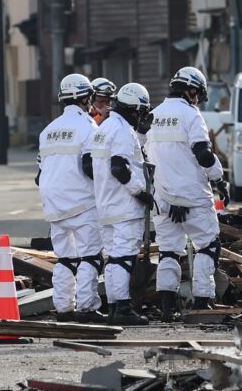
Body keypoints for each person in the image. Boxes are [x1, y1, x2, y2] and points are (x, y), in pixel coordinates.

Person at [146, 67, 230, 321]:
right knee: (208, 244)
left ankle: (167, 306)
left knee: (169, 251)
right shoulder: (191, 115)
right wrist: (219, 178)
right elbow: (203, 154)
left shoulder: (153, 115)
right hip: (193, 194)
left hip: (161, 195)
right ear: (192, 91)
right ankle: (202, 300)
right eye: (198, 95)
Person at [36, 74, 105, 323]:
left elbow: (39, 173)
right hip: (81, 201)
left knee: (65, 258)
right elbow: (90, 167)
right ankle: (86, 308)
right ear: (86, 98)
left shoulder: (47, 131)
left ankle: (64, 308)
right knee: (90, 256)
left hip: (53, 203)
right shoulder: (88, 127)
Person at [91, 83, 153, 326]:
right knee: (125, 257)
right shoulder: (122, 130)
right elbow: (120, 167)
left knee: (114, 258)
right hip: (124, 206)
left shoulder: (104, 127)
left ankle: (116, 307)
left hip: (105, 204)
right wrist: (141, 193)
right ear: (135, 110)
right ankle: (124, 308)